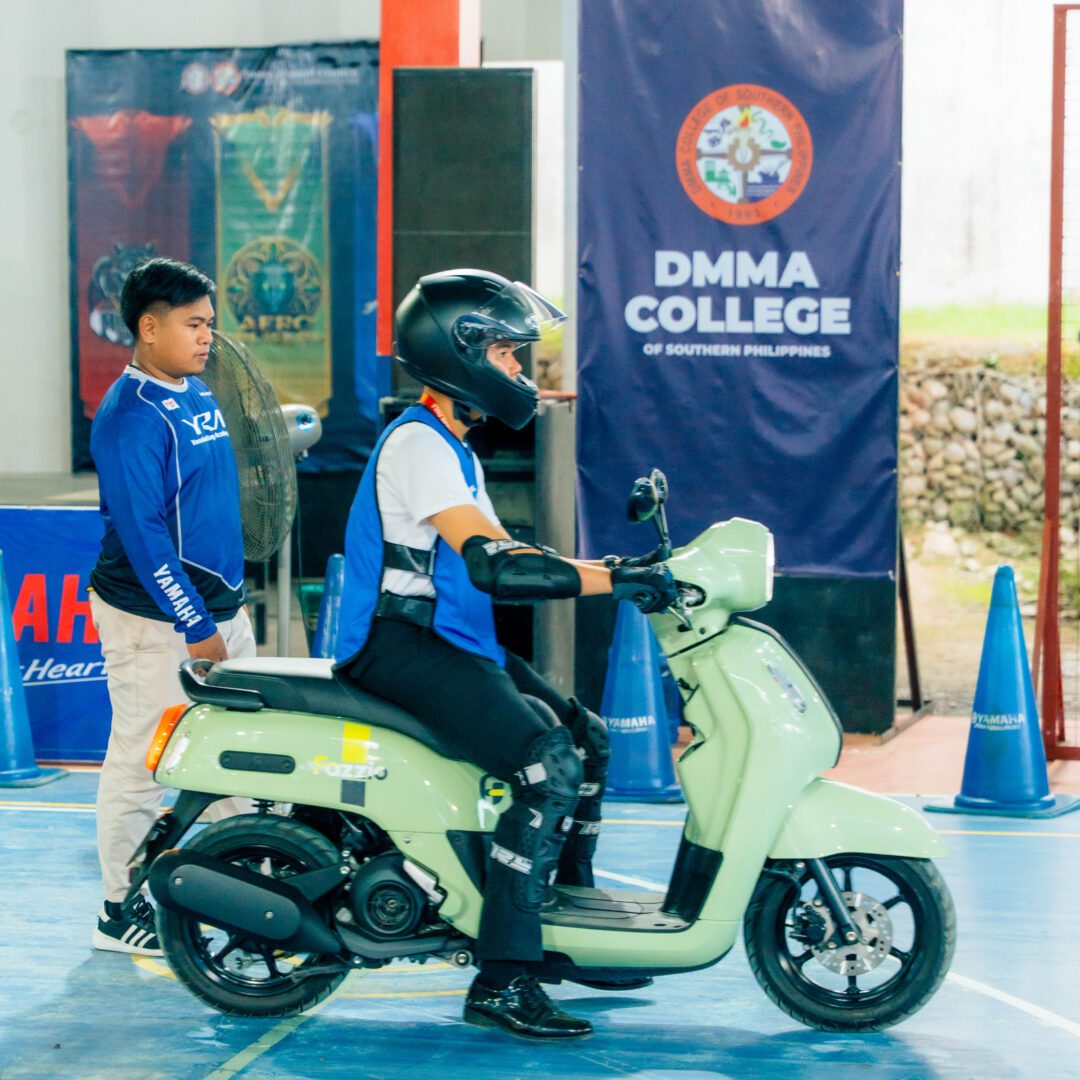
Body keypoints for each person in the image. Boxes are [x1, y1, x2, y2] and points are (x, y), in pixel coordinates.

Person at [335, 269, 675, 1040]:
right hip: (398, 644)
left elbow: (504, 555)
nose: (519, 368)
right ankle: (504, 975)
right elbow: (498, 567)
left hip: (450, 636)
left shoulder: (453, 447)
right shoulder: (420, 446)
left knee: (587, 739)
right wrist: (617, 580)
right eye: (508, 354)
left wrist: (618, 573)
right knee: (545, 765)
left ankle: (563, 928)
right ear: (459, 355)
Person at [88, 258, 256, 956]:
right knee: (141, 761)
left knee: (239, 756)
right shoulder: (129, 418)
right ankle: (118, 909)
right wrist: (195, 622)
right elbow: (145, 534)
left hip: (219, 611)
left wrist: (223, 613)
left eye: (209, 324)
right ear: (149, 328)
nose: (206, 337)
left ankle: (255, 889)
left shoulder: (196, 392)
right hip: (156, 622)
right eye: (192, 324)